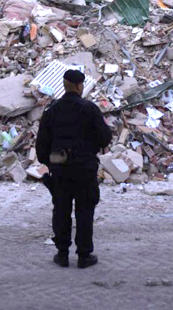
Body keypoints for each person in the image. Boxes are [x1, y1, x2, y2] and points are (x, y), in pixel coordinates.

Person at [36, 69, 112, 269]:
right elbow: (105, 138)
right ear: (80, 86)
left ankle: (62, 254)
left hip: (60, 169)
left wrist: (50, 163)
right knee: (84, 211)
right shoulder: (90, 109)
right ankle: (84, 255)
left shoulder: (52, 110)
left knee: (61, 210)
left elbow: (41, 144)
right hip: (84, 169)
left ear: (64, 85)